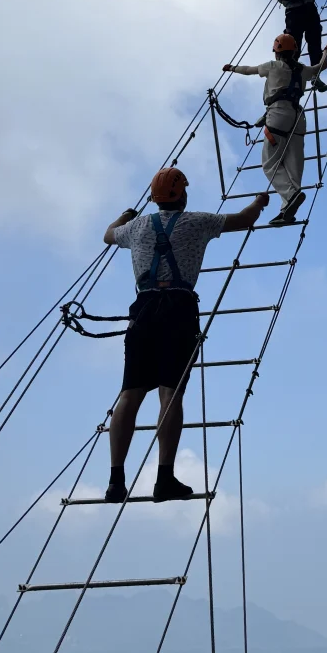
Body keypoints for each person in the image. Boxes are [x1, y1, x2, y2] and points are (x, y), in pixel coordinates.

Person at [102, 167, 269, 503]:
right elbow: (243, 220)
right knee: (170, 394)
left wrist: (123, 215)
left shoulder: (135, 228)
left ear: (153, 197)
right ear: (183, 196)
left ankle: (115, 481)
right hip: (178, 309)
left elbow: (108, 234)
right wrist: (260, 202)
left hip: (143, 310)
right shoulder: (197, 222)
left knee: (129, 395)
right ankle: (164, 478)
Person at [223, 32, 327, 226]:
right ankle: (287, 207)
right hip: (298, 118)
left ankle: (290, 196)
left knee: (270, 163)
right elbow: (320, 67)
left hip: (278, 115)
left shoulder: (272, 66)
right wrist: (326, 51)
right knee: (294, 163)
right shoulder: (303, 69)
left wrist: (232, 68)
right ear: (295, 51)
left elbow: (249, 70)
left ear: (276, 52)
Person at [272, 0, 327, 90]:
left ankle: (288, 76)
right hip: (308, 8)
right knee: (314, 40)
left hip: (291, 13)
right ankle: (315, 76)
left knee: (292, 44)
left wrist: (290, 2)